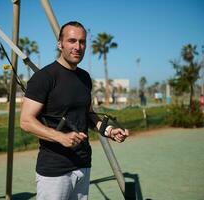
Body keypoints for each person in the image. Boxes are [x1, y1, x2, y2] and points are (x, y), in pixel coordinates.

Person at [20, 21, 129, 200]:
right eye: (72, 41)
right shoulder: (44, 77)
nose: (78, 47)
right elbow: (26, 121)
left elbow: (89, 115)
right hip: (55, 170)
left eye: (82, 42)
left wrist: (109, 131)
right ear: (60, 44)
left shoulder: (85, 77)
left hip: (83, 163)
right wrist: (61, 137)